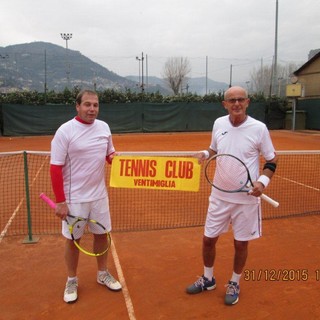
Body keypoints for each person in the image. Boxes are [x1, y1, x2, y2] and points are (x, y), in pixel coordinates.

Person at [186, 86, 278, 305]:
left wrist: (262, 182)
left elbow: (272, 160)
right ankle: (208, 278)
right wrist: (204, 153)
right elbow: (214, 149)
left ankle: (234, 282)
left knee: (240, 244)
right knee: (208, 240)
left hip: (246, 200)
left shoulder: (259, 128)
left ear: (247, 102)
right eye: (231, 100)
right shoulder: (219, 123)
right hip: (219, 196)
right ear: (224, 104)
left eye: (240, 99)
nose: (236, 103)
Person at [50, 89, 122, 303]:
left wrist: (124, 163)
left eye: (96, 105)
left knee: (102, 235)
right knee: (73, 240)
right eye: (87, 105)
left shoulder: (104, 128)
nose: (92, 109)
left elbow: (110, 155)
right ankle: (72, 279)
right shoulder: (65, 131)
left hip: (99, 196)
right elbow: (55, 168)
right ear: (78, 106)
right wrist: (61, 202)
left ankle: (102, 274)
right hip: (74, 200)